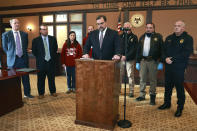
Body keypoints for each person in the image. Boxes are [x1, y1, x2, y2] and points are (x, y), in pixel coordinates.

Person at [158, 20, 193, 117]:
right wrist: (165, 58)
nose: (176, 27)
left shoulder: (188, 38)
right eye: (175, 25)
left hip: (179, 68)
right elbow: (163, 51)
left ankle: (180, 107)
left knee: (179, 89)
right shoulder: (169, 38)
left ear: (183, 28)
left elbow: (186, 53)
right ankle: (167, 103)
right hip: (168, 67)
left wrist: (172, 59)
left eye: (179, 26)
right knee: (167, 87)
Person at [2, 18, 34, 98]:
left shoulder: (24, 34)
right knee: (13, 79)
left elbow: (25, 45)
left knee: (25, 77)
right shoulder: (6, 35)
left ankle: (27, 94)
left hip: (23, 59)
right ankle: (14, 95)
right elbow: (5, 48)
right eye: (15, 23)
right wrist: (11, 54)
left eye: (18, 23)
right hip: (13, 60)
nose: (17, 24)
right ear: (11, 24)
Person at [135, 23, 163, 105]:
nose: (148, 29)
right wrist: (137, 61)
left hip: (153, 61)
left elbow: (162, 50)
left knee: (152, 80)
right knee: (142, 79)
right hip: (143, 61)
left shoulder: (158, 37)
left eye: (150, 28)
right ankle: (142, 95)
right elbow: (138, 50)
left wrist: (161, 61)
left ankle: (152, 97)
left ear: (154, 29)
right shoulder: (142, 37)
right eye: (147, 28)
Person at [32, 24, 58, 99]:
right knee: (40, 79)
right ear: (40, 30)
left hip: (51, 62)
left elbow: (55, 49)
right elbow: (34, 52)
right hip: (41, 63)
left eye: (46, 29)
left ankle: (53, 91)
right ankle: (41, 93)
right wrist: (41, 58)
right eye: (43, 29)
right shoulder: (36, 40)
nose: (45, 31)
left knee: (51, 79)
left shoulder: (53, 39)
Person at [120, 22, 138, 97]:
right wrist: (121, 56)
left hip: (129, 59)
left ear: (131, 27)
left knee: (130, 75)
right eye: (125, 26)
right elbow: (118, 47)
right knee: (119, 75)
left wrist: (126, 56)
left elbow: (134, 49)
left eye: (128, 26)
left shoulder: (134, 37)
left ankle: (131, 91)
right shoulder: (120, 36)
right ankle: (118, 90)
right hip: (120, 59)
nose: (126, 28)